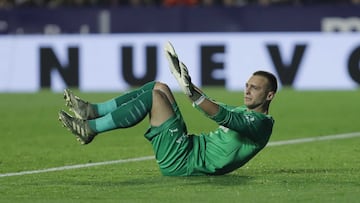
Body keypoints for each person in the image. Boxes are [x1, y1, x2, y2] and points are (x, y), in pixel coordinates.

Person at [58, 42, 278, 176]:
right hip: (188, 147)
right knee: (159, 86)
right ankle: (93, 110)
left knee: (154, 98)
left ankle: (91, 128)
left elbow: (222, 115)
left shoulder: (260, 125)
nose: (247, 91)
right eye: (247, 86)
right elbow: (212, 104)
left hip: (184, 163)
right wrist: (185, 82)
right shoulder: (246, 112)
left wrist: (191, 92)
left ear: (269, 95)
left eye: (254, 88)